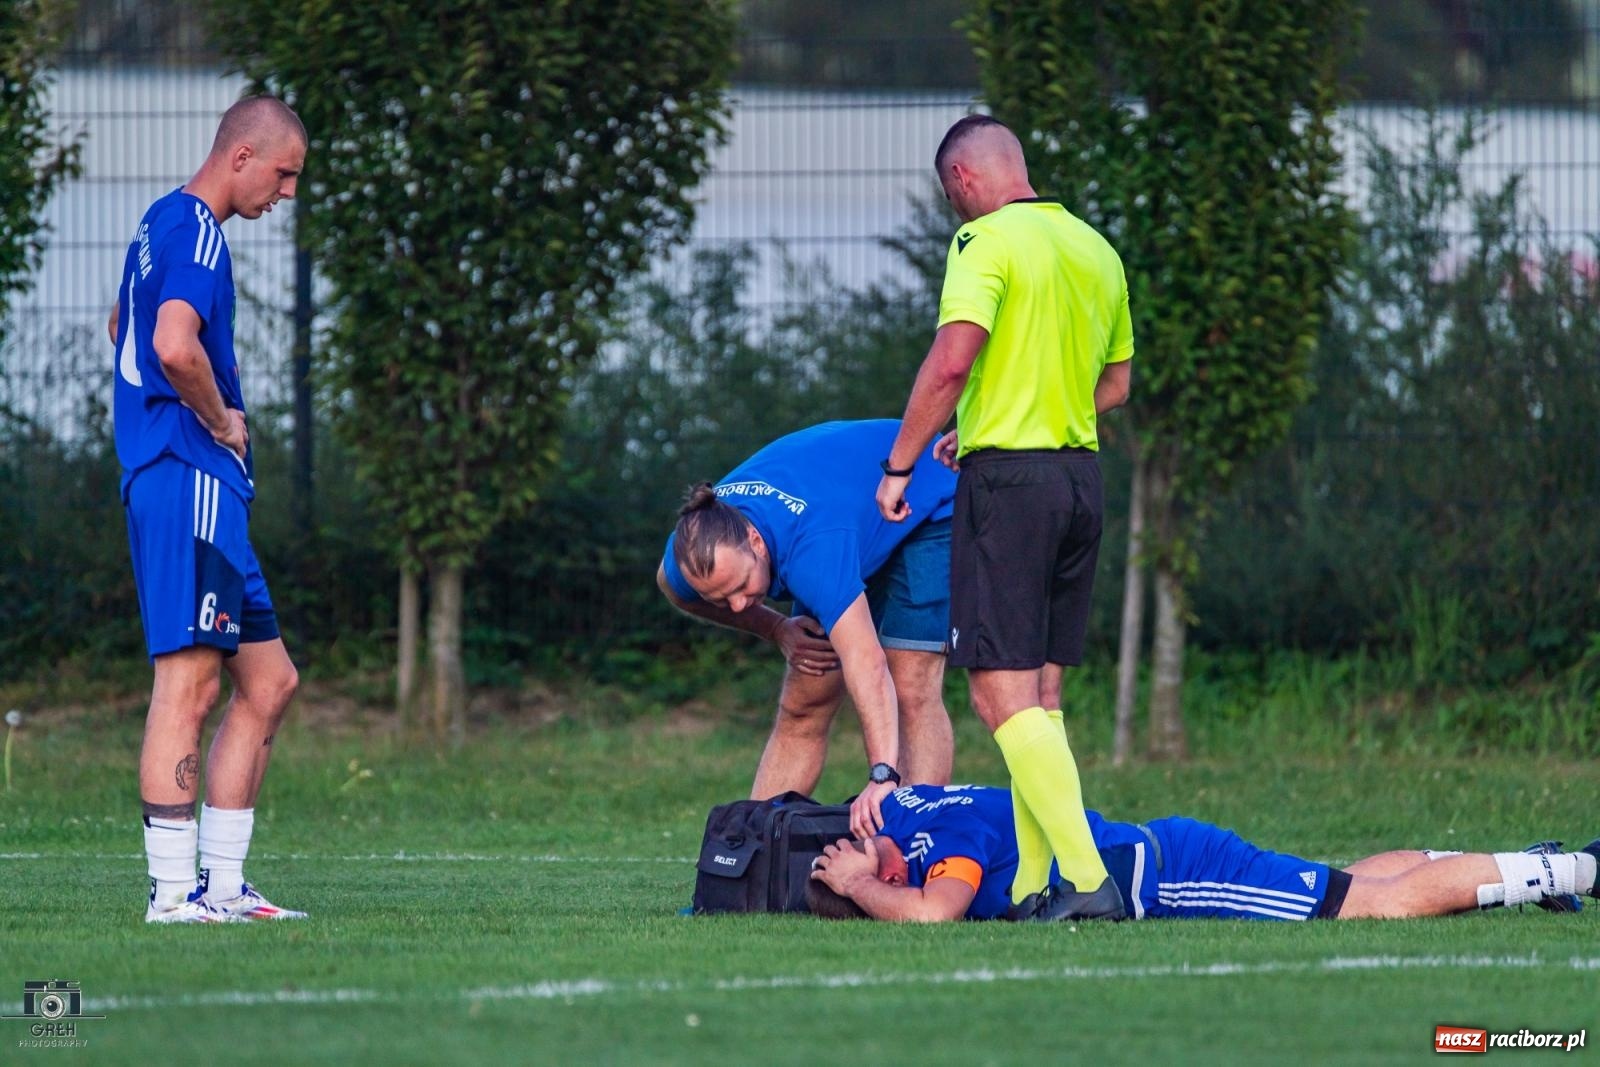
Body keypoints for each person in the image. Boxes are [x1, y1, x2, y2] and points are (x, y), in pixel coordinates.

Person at [874, 114, 1134, 921]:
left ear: (962, 183)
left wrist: (901, 463)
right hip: (1079, 478)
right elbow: (1116, 385)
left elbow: (954, 358)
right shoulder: (1096, 248)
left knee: (997, 697)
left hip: (1012, 490)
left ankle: (1089, 882)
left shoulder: (983, 243)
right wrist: (999, 422)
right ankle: (1032, 883)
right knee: (1040, 696)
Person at [109, 96, 308, 923]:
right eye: (284, 174)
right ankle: (171, 895)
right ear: (242, 157)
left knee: (269, 680)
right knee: (187, 684)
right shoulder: (196, 229)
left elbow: (124, 320)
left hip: (197, 484)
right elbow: (168, 341)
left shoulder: (158, 223)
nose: (286, 194)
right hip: (187, 475)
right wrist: (221, 420)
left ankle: (223, 887)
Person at [659, 419, 958, 839]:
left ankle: (914, 851)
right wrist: (776, 628)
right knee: (805, 699)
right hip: (847, 514)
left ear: (756, 542)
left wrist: (883, 776)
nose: (739, 606)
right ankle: (750, 855)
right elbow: (672, 589)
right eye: (721, 600)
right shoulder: (696, 552)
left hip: (925, 501)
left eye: (742, 588)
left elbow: (867, 664)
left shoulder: (813, 550)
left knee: (910, 684)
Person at [807, 779, 1600, 923]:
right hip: (1166, 849)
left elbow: (934, 914)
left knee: (1369, 904)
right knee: (1346, 882)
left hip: (1176, 875)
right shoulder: (904, 805)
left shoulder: (940, 844)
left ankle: (1581, 870)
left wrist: (859, 885)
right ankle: (1517, 868)